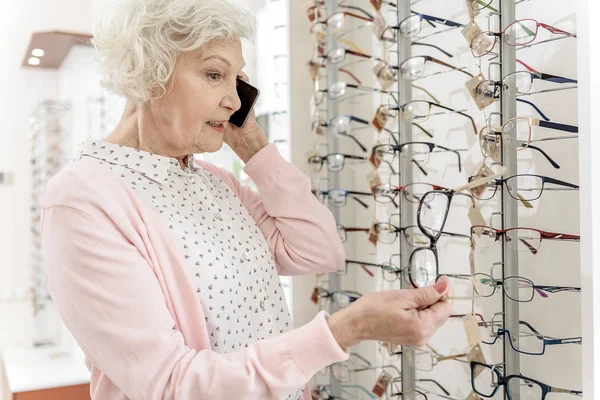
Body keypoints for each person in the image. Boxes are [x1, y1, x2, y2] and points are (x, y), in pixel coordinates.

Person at [40, 0, 454, 399]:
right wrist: (347, 330)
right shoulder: (84, 202)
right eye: (214, 75)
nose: (235, 101)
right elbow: (173, 386)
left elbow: (318, 251)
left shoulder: (213, 180)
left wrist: (253, 144)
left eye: (237, 80)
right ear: (151, 74)